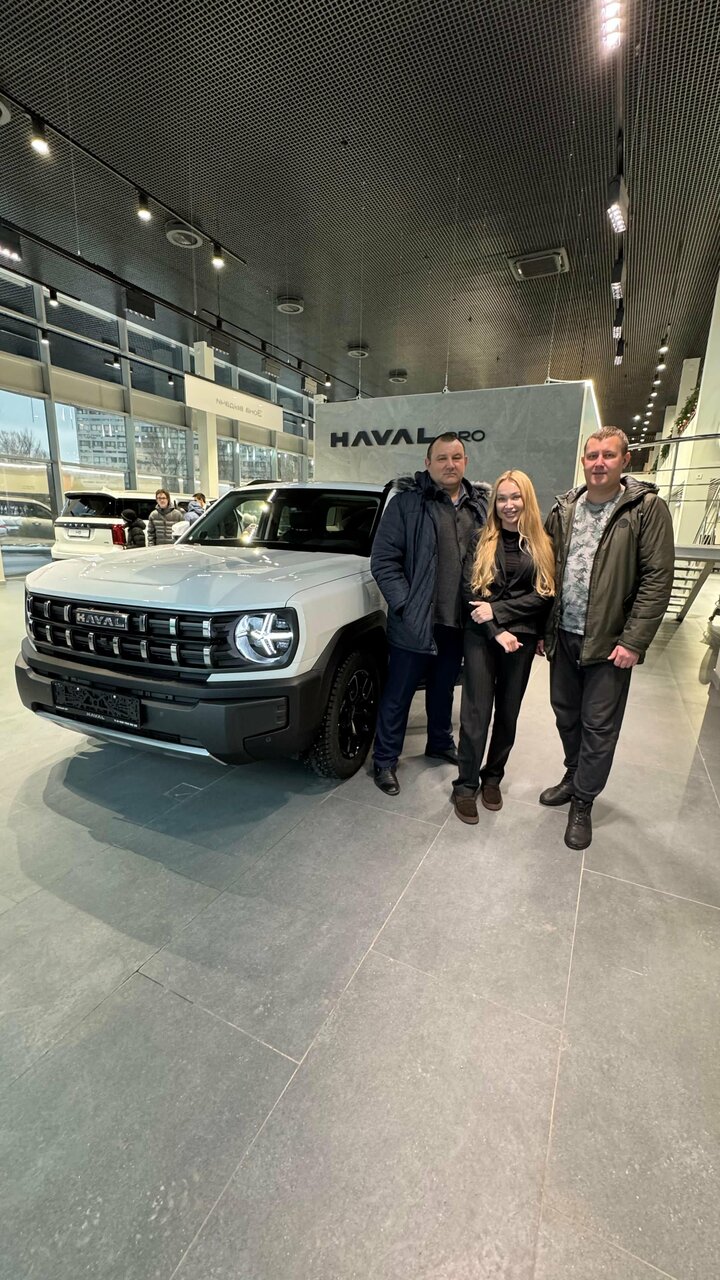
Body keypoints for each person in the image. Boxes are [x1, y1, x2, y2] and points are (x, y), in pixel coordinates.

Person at [541, 425, 675, 850]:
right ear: (583, 460)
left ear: (625, 460)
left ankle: (583, 801)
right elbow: (545, 571)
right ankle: (573, 773)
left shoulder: (646, 509)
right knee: (565, 714)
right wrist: (544, 629)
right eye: (592, 455)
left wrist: (634, 640)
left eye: (608, 455)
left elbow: (657, 579)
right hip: (564, 635)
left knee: (599, 726)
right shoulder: (564, 508)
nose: (599, 463)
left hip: (609, 641)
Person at [370, 432, 490, 795]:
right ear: (428, 463)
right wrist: (406, 605)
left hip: (459, 621)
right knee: (399, 693)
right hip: (414, 621)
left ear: (465, 462)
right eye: (442, 458)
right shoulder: (406, 503)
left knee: (443, 689)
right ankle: (384, 761)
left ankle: (439, 742)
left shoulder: (478, 506)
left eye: (456, 457)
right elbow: (384, 560)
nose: (449, 465)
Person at [452, 470, 555, 823]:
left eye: (515, 497)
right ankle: (465, 785)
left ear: (527, 499)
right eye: (502, 498)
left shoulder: (543, 543)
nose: (508, 505)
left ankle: (492, 778)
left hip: (521, 638)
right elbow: (469, 591)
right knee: (475, 714)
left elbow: (544, 595)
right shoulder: (481, 539)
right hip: (480, 636)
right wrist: (495, 629)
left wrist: (498, 611)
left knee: (508, 713)